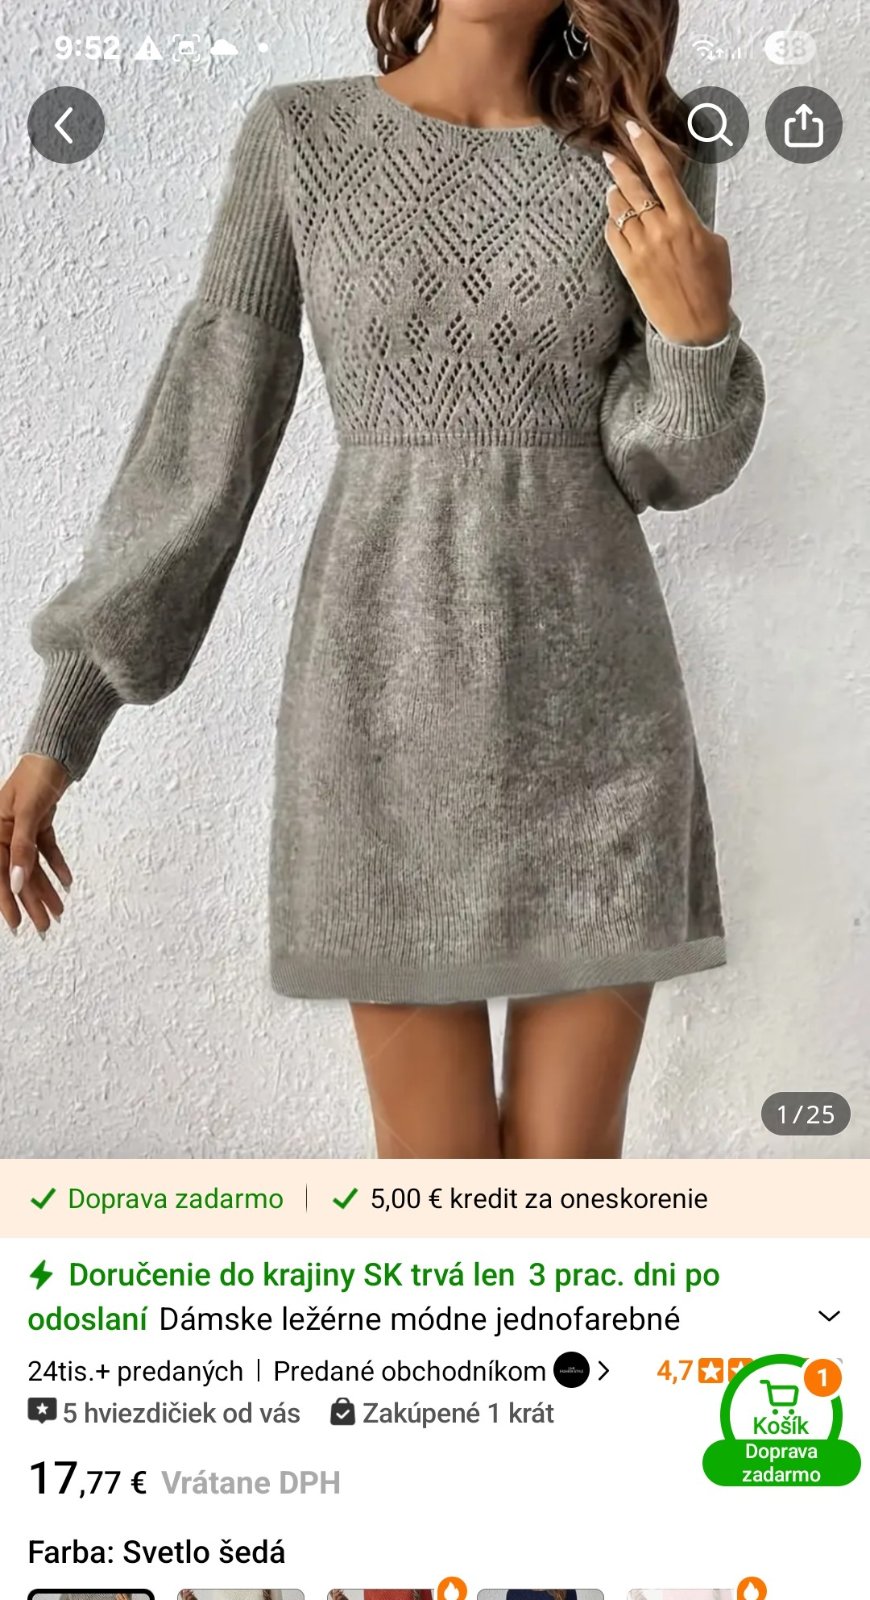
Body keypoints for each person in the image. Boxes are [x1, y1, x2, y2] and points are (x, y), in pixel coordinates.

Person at [1, 0, 764, 1157]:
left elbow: (661, 466)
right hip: (380, 725)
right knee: (438, 1187)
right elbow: (203, 450)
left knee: (568, 1190)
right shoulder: (301, 138)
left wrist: (696, 339)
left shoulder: (646, 151)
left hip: (599, 731)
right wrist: (68, 716)